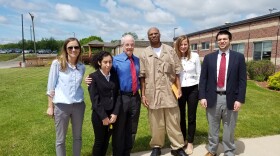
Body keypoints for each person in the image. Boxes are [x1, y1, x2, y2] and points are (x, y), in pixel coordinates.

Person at [85, 34, 141, 155]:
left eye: (132, 44)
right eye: (127, 44)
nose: (129, 47)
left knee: (132, 128)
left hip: (136, 97)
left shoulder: (137, 60)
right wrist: (88, 79)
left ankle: (127, 152)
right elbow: (103, 73)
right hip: (122, 97)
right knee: (119, 130)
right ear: (122, 45)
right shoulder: (115, 60)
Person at [140, 27, 188, 156]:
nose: (154, 36)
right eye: (151, 34)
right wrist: (143, 94)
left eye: (156, 33)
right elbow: (142, 76)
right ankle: (156, 146)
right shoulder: (144, 53)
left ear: (159, 34)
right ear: (148, 37)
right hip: (152, 93)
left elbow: (177, 71)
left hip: (169, 92)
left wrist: (179, 89)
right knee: (156, 123)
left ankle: (177, 147)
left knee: (174, 121)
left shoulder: (170, 50)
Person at [199, 30, 247, 156]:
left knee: (229, 127)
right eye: (219, 39)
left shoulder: (239, 57)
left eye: (225, 39)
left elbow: (242, 81)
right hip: (212, 97)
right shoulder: (209, 58)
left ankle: (229, 151)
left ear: (230, 40)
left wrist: (239, 99)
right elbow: (203, 79)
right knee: (212, 126)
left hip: (230, 98)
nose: (222, 41)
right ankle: (212, 149)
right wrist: (202, 96)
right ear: (217, 41)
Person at [46, 37, 86, 156]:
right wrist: (50, 106)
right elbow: (50, 87)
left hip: (78, 105)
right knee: (60, 139)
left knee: (77, 137)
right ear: (66, 49)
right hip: (61, 106)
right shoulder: (57, 64)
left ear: (79, 49)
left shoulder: (81, 67)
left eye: (76, 47)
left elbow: (78, 84)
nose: (73, 49)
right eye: (70, 47)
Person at [88, 51, 121, 156]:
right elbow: (95, 99)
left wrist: (115, 113)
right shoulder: (93, 77)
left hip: (112, 115)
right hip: (99, 116)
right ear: (99, 63)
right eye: (105, 62)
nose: (108, 65)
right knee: (99, 141)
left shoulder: (114, 75)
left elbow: (118, 95)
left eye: (110, 62)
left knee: (107, 140)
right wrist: (103, 117)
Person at [174, 35, 201, 155]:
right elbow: (173, 75)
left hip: (193, 89)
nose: (183, 46)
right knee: (181, 116)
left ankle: (190, 142)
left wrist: (201, 92)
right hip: (180, 90)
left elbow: (199, 74)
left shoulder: (195, 56)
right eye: (181, 44)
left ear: (188, 45)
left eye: (185, 44)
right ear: (178, 45)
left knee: (191, 116)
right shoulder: (175, 57)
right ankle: (183, 139)